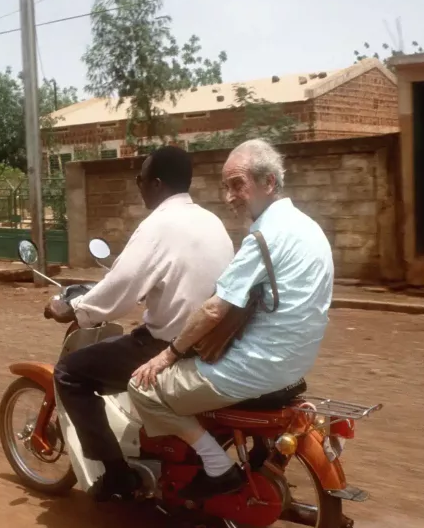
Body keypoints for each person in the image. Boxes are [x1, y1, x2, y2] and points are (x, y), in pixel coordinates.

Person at [127, 138, 334, 501]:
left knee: (142, 388)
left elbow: (214, 309)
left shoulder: (265, 236)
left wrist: (168, 354)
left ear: (268, 183)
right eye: (226, 186)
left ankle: (216, 464)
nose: (229, 196)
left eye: (237, 185)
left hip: (253, 370)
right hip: (294, 365)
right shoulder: (310, 228)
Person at [44, 145, 234, 502]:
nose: (139, 186)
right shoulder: (212, 221)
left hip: (167, 346)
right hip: (214, 343)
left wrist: (73, 309)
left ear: (157, 183)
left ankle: (117, 477)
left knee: (70, 373)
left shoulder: (158, 225)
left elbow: (120, 290)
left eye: (140, 179)